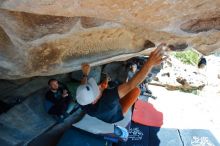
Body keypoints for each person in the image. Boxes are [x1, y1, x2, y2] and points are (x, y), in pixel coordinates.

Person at [76, 44, 166, 123]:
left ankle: (115, 89)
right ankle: (120, 92)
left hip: (102, 110)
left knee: (113, 87)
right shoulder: (108, 100)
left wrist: (85, 74)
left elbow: (83, 87)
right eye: (97, 89)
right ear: (95, 101)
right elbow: (131, 85)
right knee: (136, 90)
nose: (98, 87)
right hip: (116, 115)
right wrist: (150, 63)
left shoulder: (81, 98)